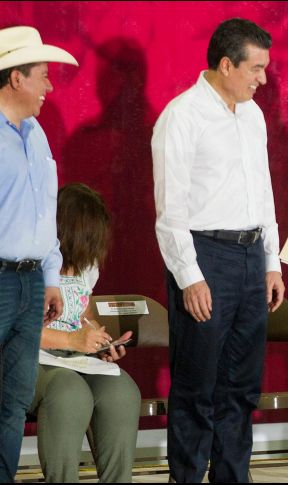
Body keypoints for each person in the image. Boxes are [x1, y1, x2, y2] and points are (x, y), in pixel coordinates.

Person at [152, 18, 285, 483]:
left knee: (242, 386)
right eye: (255, 68)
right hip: (204, 255)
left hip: (251, 256)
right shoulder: (182, 116)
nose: (262, 78)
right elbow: (170, 208)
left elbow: (264, 193)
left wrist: (271, 263)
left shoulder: (253, 115)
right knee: (197, 385)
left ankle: (233, 476)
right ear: (226, 65)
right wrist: (189, 277)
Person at [0, 25, 77, 482]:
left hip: (29, 283)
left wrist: (50, 277)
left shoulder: (37, 134)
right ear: (16, 78)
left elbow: (44, 212)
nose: (49, 86)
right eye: (43, 75)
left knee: (13, 399)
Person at [29, 183, 140, 483]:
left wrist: (99, 342)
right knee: (70, 394)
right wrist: (71, 340)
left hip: (74, 358)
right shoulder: (30, 263)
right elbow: (18, 327)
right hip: (33, 358)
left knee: (123, 392)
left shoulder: (85, 267)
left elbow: (85, 315)